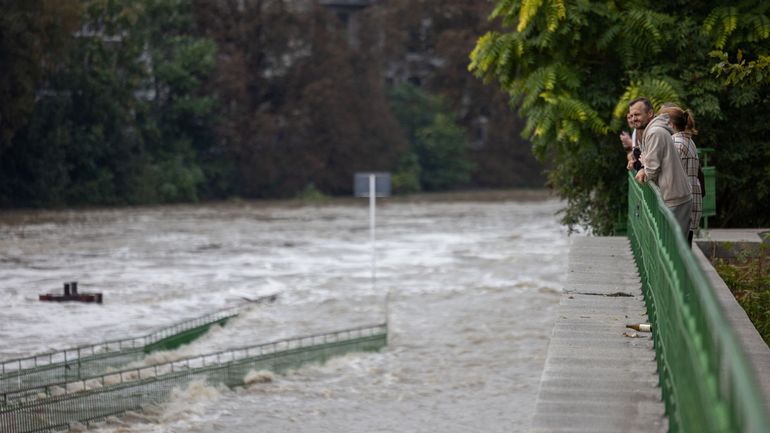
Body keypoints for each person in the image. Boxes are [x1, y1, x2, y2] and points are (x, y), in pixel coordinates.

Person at [628, 97, 692, 240]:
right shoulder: (652, 131)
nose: (633, 119)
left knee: (673, 248)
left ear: (650, 113)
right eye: (631, 116)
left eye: (637, 114)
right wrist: (643, 164)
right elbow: (648, 160)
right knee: (670, 247)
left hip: (675, 198)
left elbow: (651, 169)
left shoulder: (655, 132)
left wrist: (643, 169)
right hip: (674, 196)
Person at [659, 105, 702, 246]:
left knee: (675, 249)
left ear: (670, 124)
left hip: (681, 205)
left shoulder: (675, 143)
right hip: (692, 201)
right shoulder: (689, 141)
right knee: (684, 247)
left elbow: (666, 171)